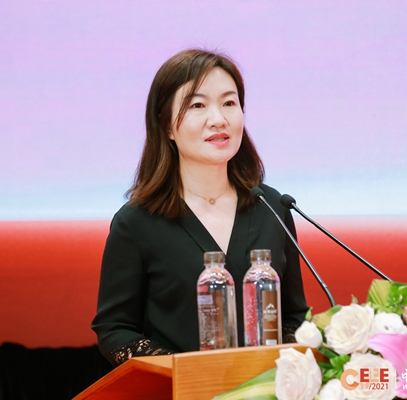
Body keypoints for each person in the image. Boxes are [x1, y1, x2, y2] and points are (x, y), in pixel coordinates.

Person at [92, 48, 309, 368]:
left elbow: (293, 316)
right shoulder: (136, 222)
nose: (219, 119)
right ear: (166, 126)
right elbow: (115, 330)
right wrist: (185, 372)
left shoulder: (271, 206)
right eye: (197, 105)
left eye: (229, 103)